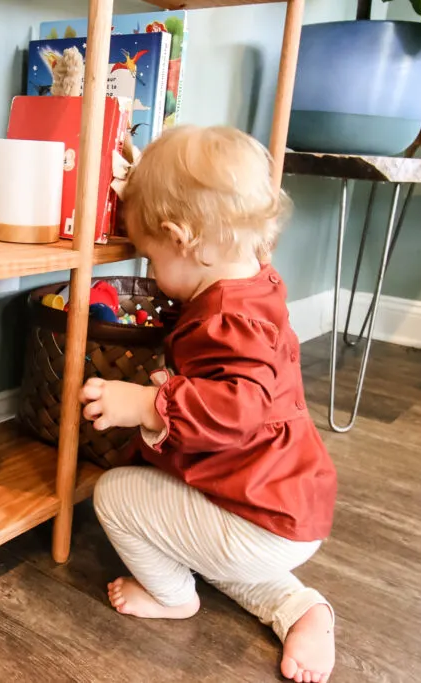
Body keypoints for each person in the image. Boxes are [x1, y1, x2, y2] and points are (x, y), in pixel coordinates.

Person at [80, 125, 338, 683]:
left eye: (150, 257)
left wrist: (149, 403)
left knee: (116, 495)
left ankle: (173, 596)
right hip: (284, 504)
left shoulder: (226, 321)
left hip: (262, 518)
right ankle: (299, 607)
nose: (150, 273)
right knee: (214, 545)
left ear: (181, 238)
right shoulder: (257, 285)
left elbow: (238, 407)